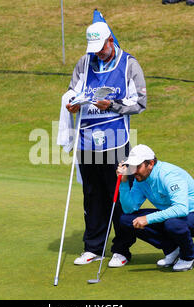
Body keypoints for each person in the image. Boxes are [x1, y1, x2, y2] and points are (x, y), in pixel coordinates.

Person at [62, 21, 147, 268]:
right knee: (92, 196)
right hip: (86, 140)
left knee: (119, 197)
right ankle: (93, 248)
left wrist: (111, 105)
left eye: (102, 46)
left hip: (116, 141)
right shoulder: (83, 63)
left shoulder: (129, 64)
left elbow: (140, 103)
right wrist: (72, 104)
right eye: (94, 48)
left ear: (111, 40)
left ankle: (122, 249)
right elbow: (72, 92)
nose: (98, 52)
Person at [116, 144, 194, 271]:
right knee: (126, 219)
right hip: (173, 216)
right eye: (131, 167)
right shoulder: (141, 179)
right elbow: (129, 209)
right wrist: (123, 182)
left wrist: (148, 219)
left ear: (150, 164)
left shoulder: (169, 175)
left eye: (137, 166)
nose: (133, 171)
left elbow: (181, 209)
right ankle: (172, 250)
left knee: (173, 224)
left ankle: (189, 256)